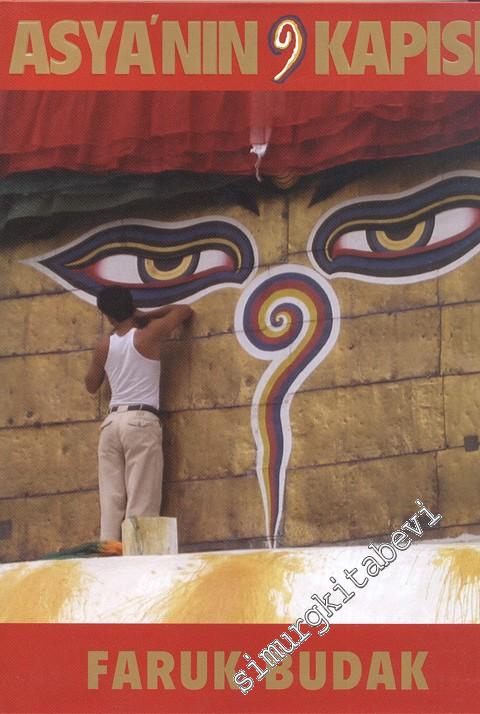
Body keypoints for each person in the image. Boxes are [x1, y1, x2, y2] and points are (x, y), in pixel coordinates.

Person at [85, 285, 193, 541]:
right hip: (141, 421)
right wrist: (147, 314)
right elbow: (184, 311)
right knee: (142, 500)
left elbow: (91, 385)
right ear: (131, 306)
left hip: (111, 424)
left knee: (111, 502)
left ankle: (109, 553)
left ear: (107, 315)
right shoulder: (149, 334)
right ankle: (137, 556)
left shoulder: (104, 346)